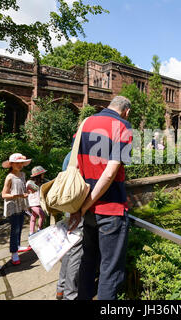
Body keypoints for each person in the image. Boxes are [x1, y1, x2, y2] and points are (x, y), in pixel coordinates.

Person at [68, 96, 133, 300]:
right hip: (111, 209)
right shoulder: (124, 126)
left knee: (88, 260)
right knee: (110, 270)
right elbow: (110, 173)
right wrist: (89, 203)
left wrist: (81, 206)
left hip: (87, 211)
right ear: (126, 111)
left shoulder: (85, 123)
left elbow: (75, 165)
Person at [56, 151, 84, 300]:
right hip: (78, 209)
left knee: (69, 249)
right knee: (77, 252)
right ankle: (70, 295)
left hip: (69, 207)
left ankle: (61, 288)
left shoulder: (69, 155)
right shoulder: (83, 154)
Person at [1, 153, 32, 265]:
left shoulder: (22, 174)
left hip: (21, 205)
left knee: (20, 227)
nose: (20, 165)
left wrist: (27, 192)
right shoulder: (9, 177)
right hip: (13, 207)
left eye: (21, 163)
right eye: (17, 163)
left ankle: (17, 246)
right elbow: (4, 194)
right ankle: (14, 252)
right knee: (15, 229)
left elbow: (22, 189)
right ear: (11, 164)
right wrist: (18, 195)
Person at [26, 165, 48, 237]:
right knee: (42, 214)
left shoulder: (41, 181)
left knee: (33, 217)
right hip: (32, 204)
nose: (43, 175)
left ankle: (31, 232)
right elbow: (35, 189)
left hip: (39, 203)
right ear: (38, 175)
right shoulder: (30, 183)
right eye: (42, 174)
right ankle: (39, 229)